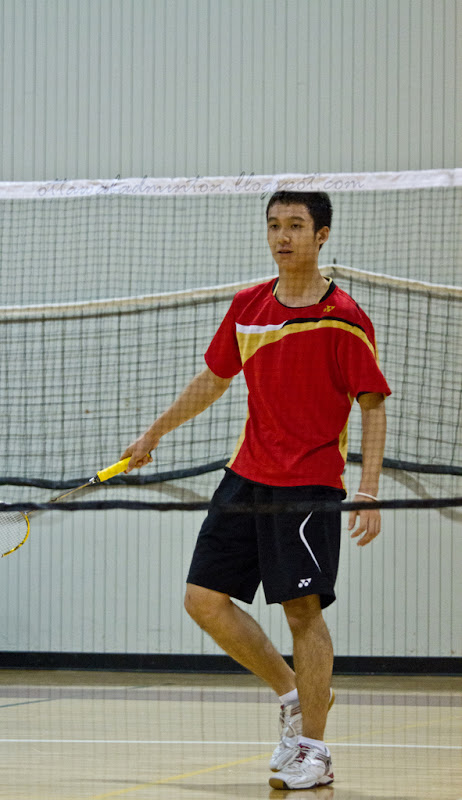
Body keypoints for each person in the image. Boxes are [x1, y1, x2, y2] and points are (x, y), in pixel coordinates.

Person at [122, 190, 391, 791]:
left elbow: (372, 404)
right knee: (203, 600)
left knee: (302, 612)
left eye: (295, 225)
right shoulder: (248, 306)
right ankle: (294, 695)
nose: (282, 236)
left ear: (322, 235)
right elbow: (214, 379)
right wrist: (153, 433)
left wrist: (369, 490)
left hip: (309, 484)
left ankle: (315, 751)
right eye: (274, 225)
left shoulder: (344, 317)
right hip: (246, 475)